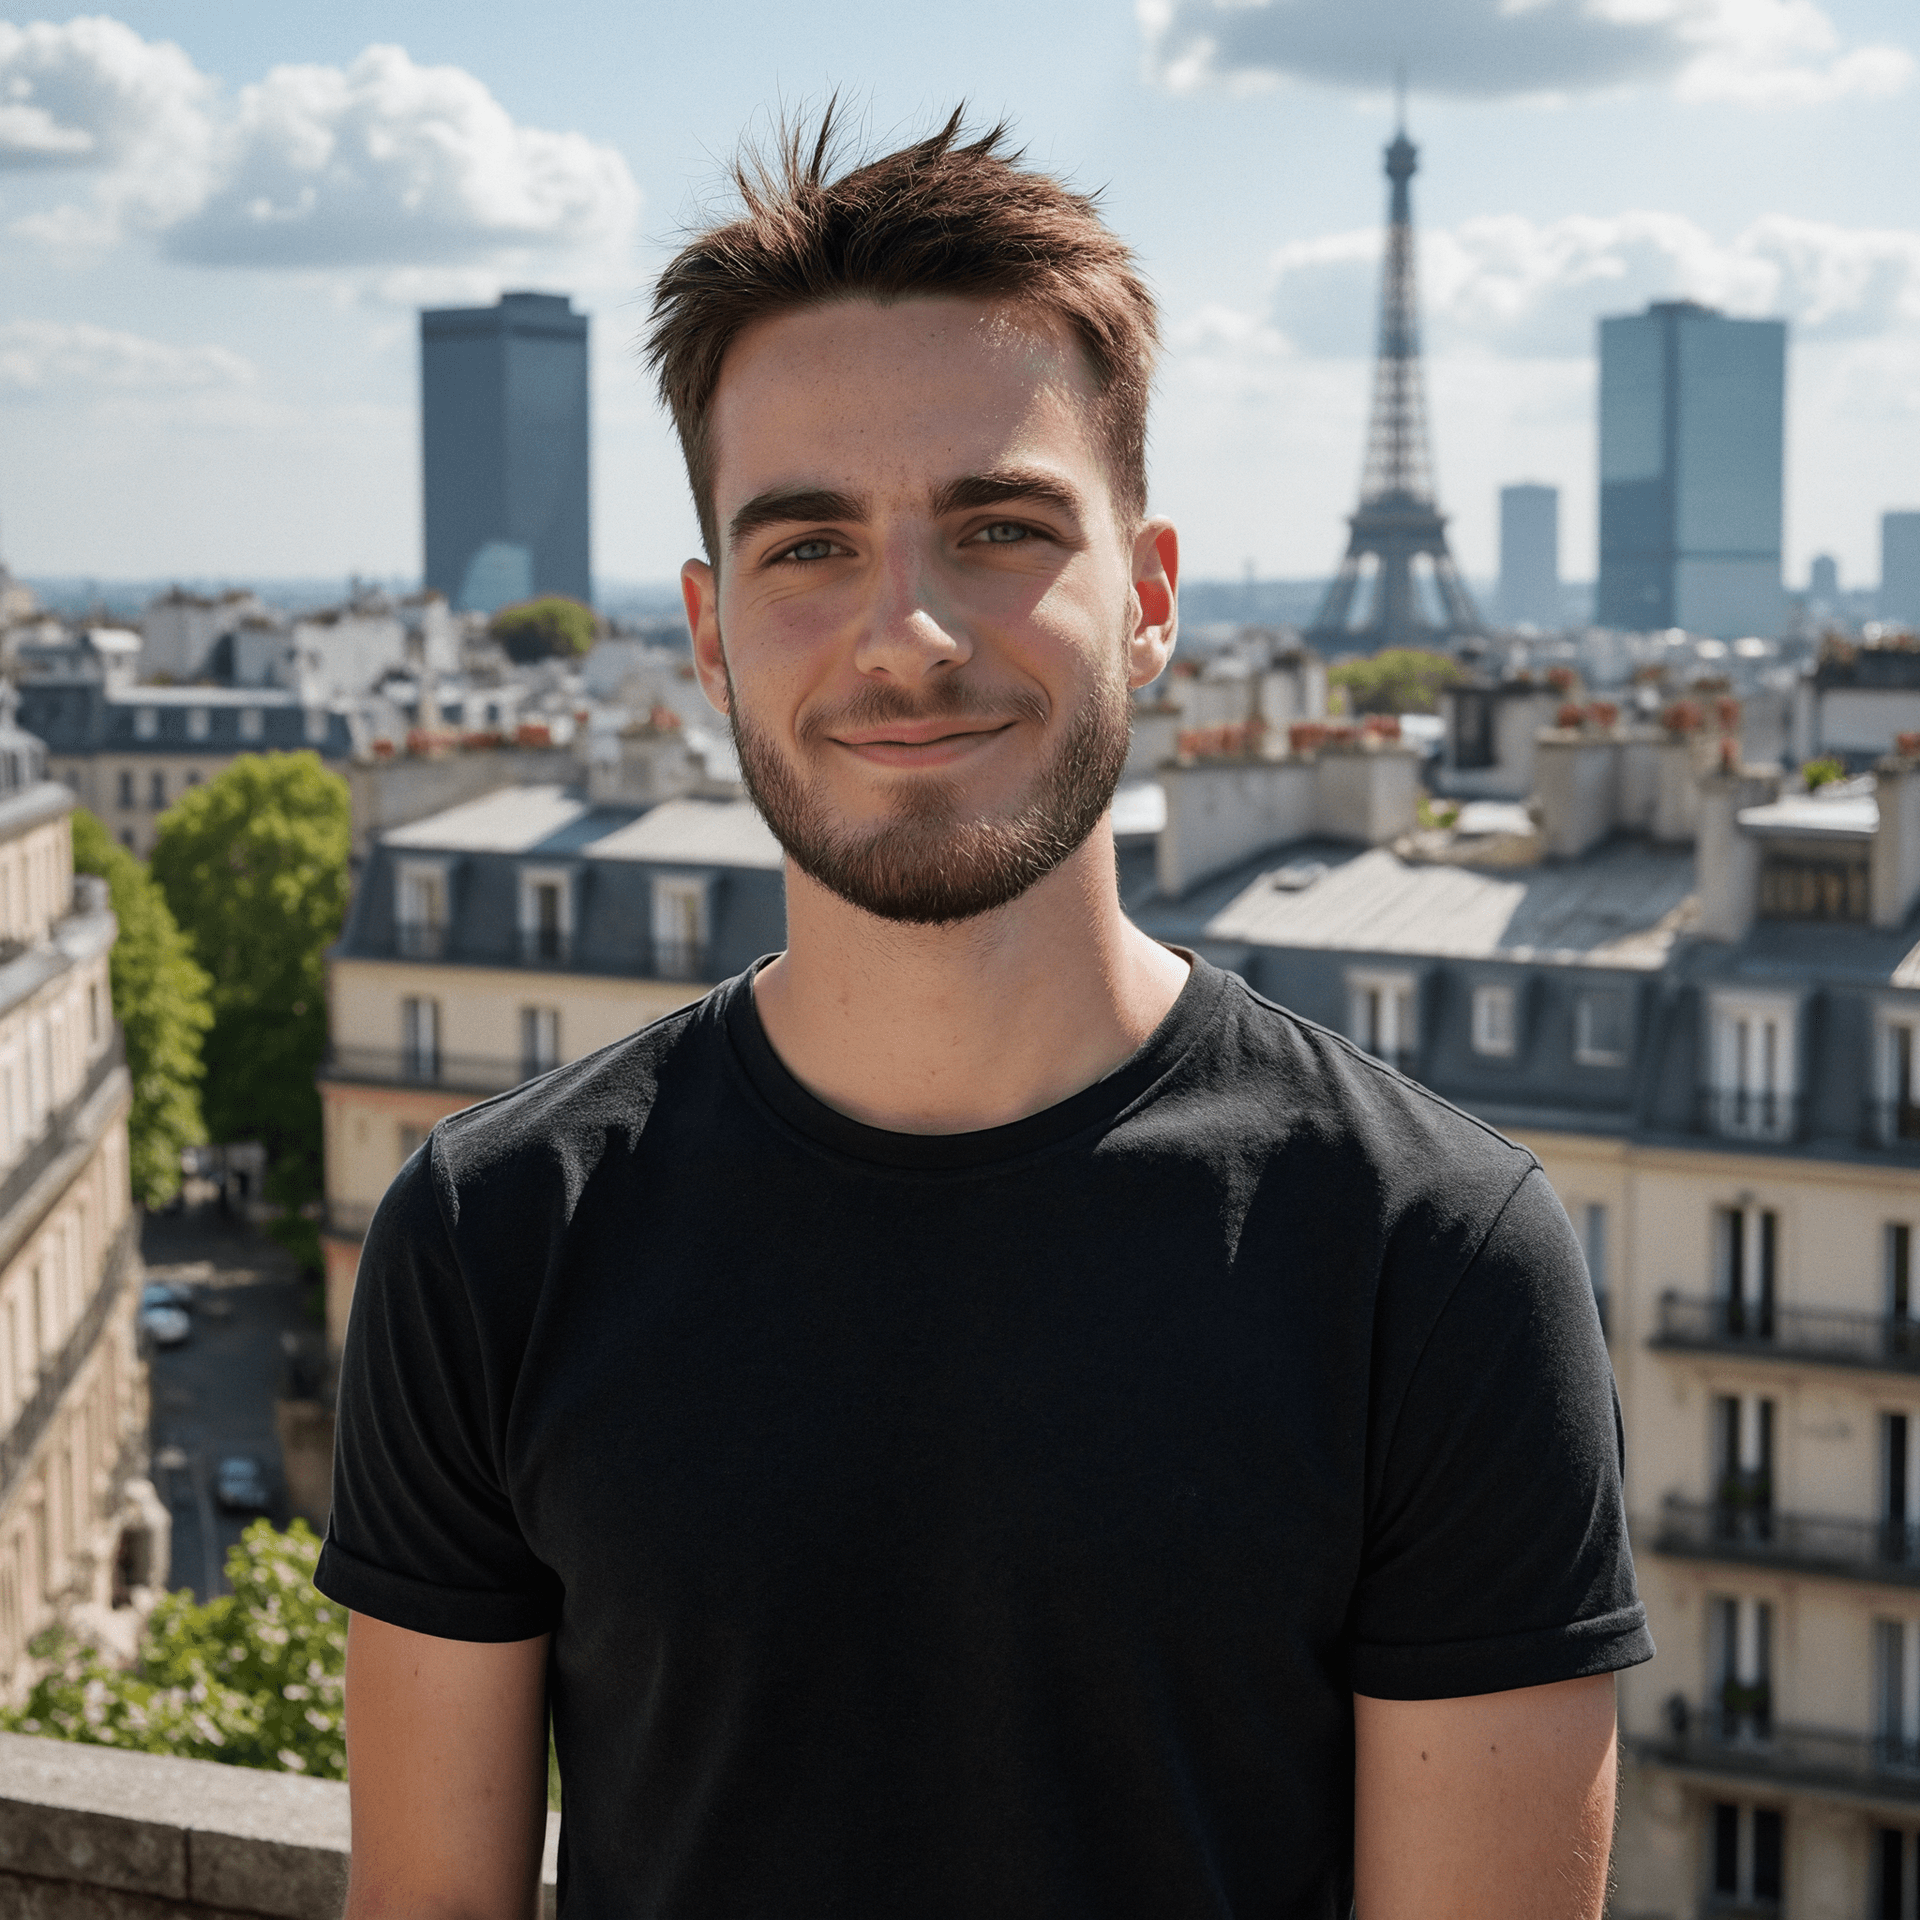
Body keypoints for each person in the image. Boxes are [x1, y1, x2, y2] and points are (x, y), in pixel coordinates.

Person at [320, 110, 1650, 1920]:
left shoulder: (1442, 1261)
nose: (909, 634)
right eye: (808, 548)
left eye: (1000, 527)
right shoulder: (484, 1241)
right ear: (708, 635)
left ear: (1154, 599)